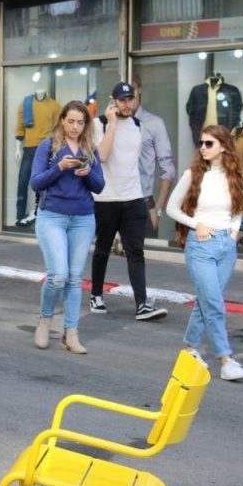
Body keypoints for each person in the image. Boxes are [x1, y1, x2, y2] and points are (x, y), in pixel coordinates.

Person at [167, 125, 243, 381]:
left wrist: (233, 233)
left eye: (209, 143)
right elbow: (172, 208)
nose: (203, 147)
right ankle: (226, 360)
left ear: (223, 146)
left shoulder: (235, 175)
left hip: (226, 247)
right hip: (200, 245)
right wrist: (197, 224)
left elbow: (237, 209)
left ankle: (189, 348)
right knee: (214, 304)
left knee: (205, 302)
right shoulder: (193, 174)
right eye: (201, 143)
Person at [29, 101, 105, 354]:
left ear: (86, 125)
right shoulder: (48, 146)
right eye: (71, 121)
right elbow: (36, 182)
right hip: (52, 216)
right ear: (62, 120)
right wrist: (59, 168)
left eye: (80, 122)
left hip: (83, 218)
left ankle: (70, 334)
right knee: (58, 275)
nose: (75, 126)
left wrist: (87, 172)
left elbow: (99, 186)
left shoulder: (90, 148)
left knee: (74, 278)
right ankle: (44, 321)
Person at [88, 82, 167, 321]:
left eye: (130, 99)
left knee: (136, 252)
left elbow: (138, 164)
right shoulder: (97, 124)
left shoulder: (138, 126)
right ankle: (96, 295)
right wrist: (111, 123)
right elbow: (102, 155)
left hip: (133, 198)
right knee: (102, 249)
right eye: (122, 99)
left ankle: (142, 304)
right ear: (112, 100)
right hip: (106, 199)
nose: (127, 104)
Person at [131, 80, 177, 238]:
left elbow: (168, 169)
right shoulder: (111, 124)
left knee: (145, 258)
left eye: (132, 89)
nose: (128, 96)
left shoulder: (154, 123)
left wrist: (158, 210)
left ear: (139, 90)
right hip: (114, 202)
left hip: (143, 203)